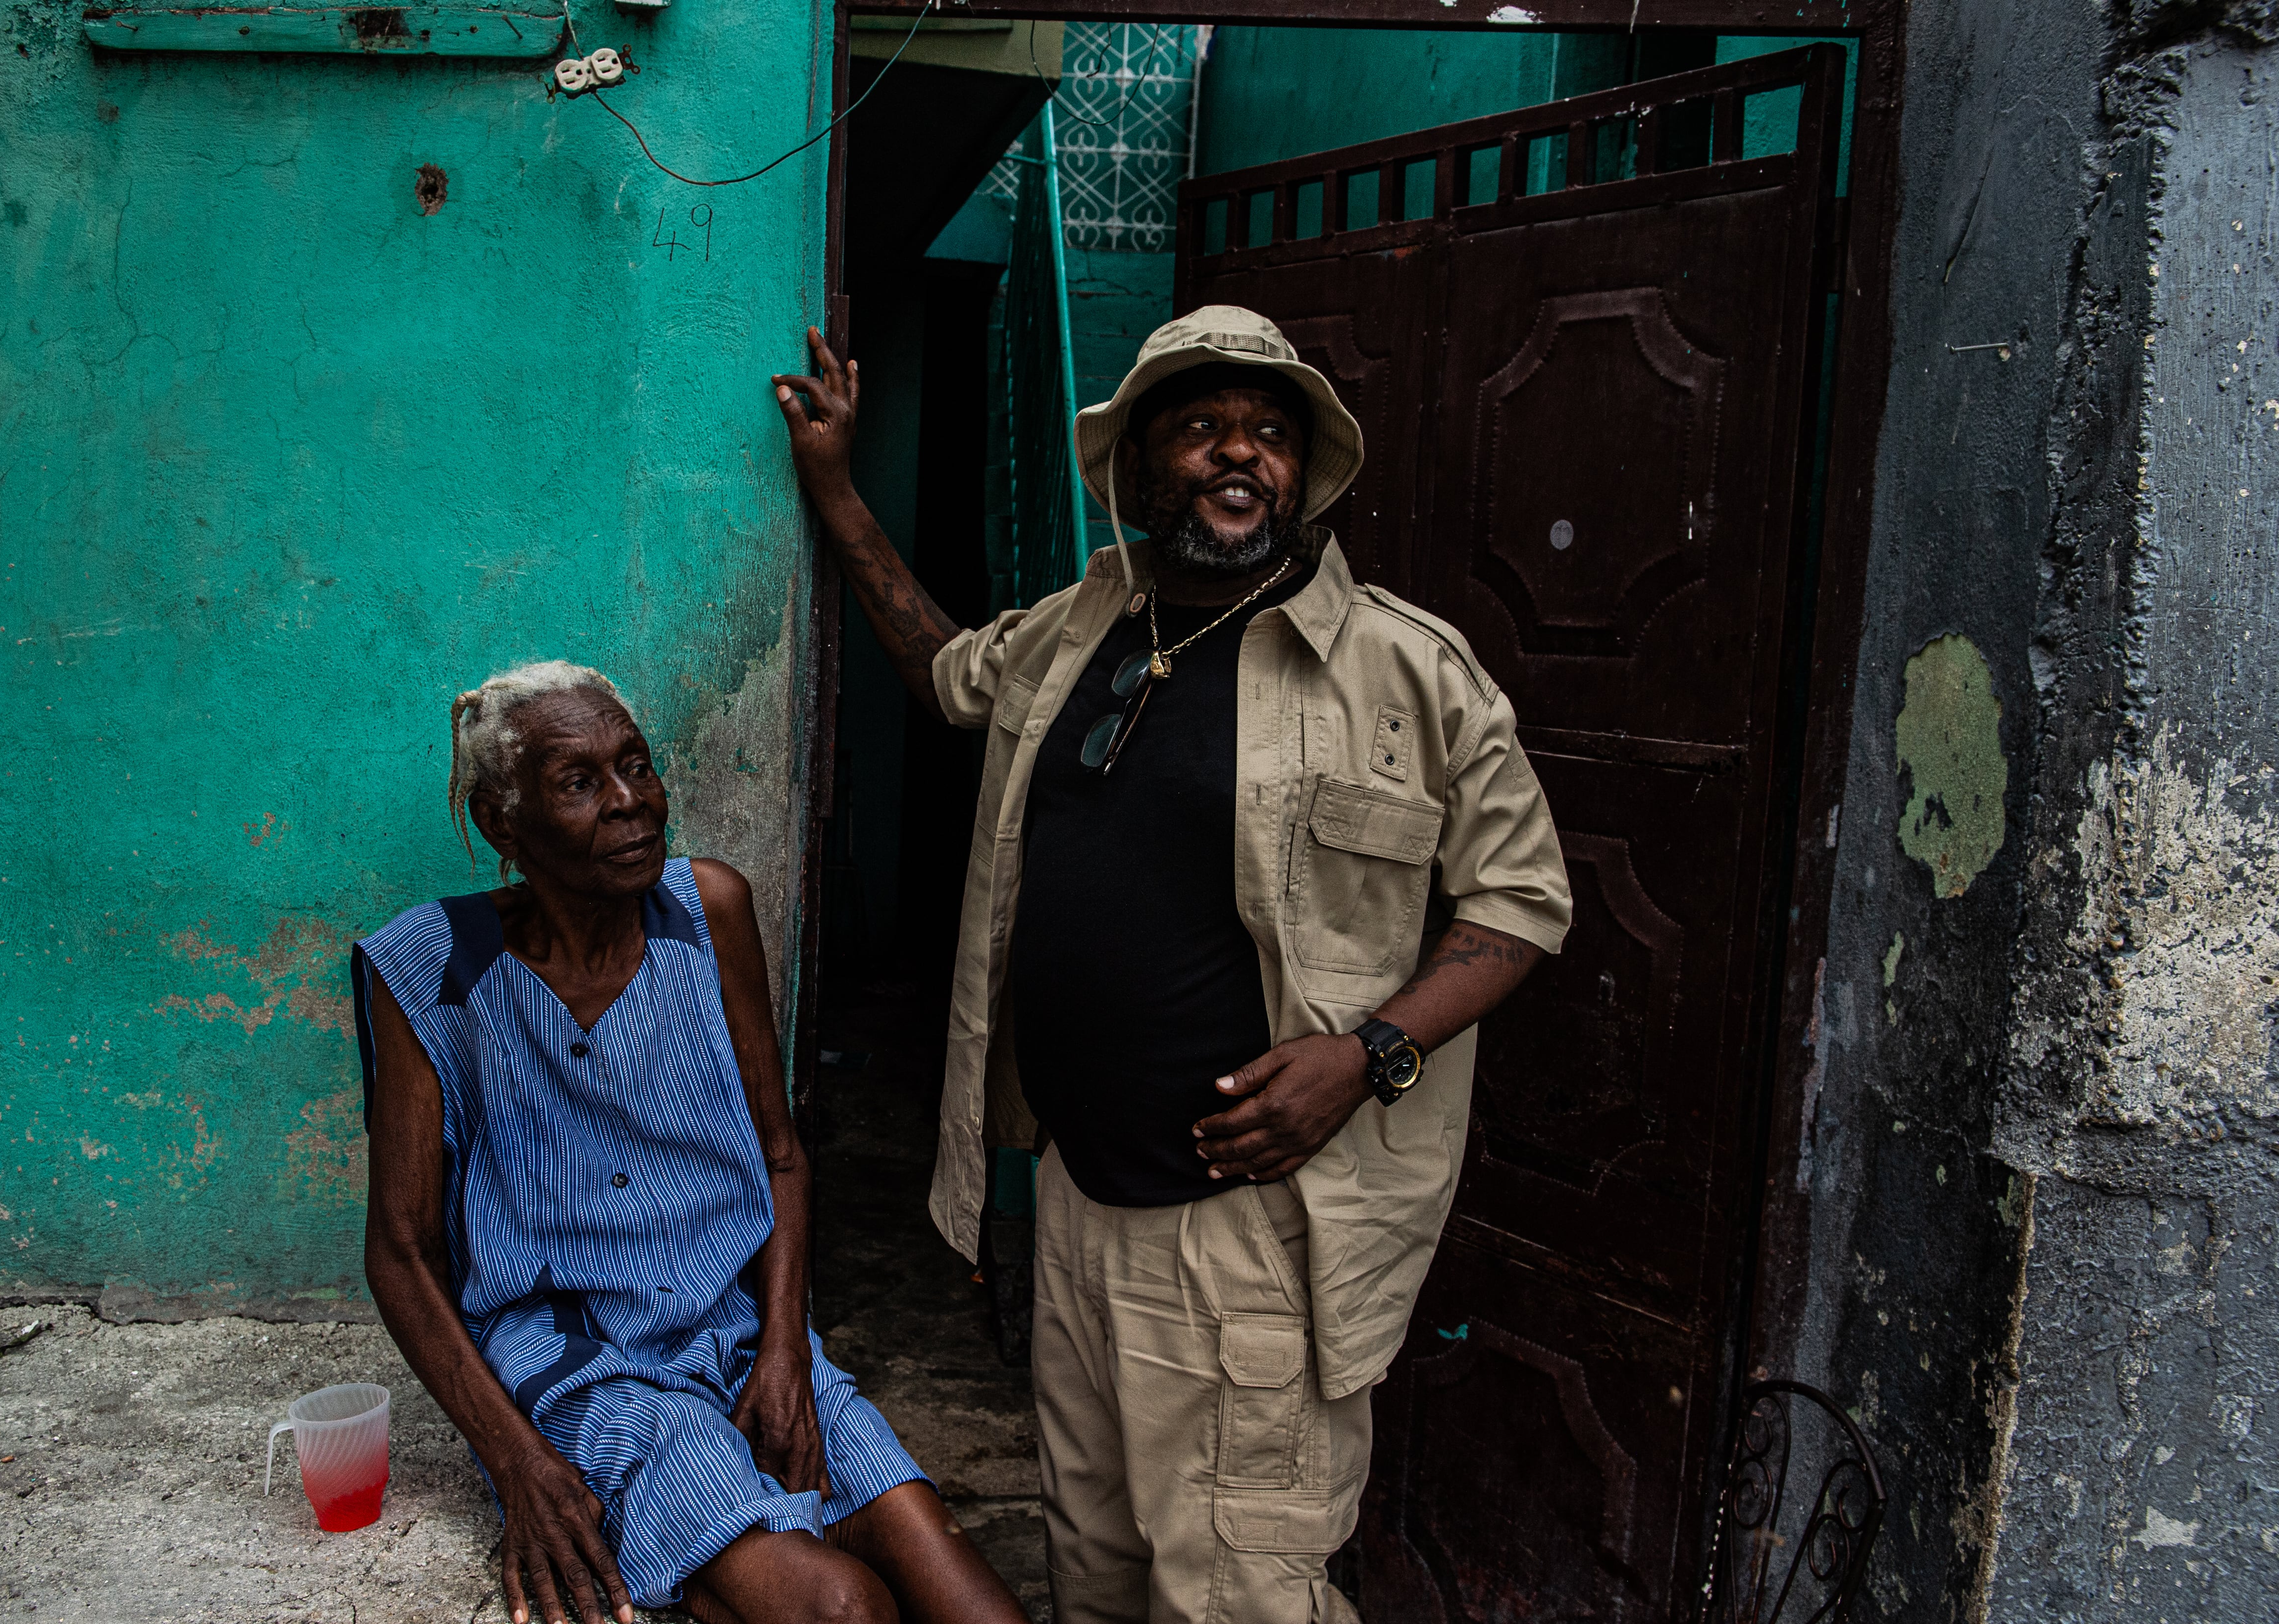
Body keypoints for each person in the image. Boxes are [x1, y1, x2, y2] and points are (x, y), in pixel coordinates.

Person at [772, 306, 1574, 1624]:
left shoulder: (1407, 669)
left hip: (1253, 1230)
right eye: (1201, 428)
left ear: (1304, 471)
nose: (1238, 454)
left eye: (1269, 433)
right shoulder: (1081, 625)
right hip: (1079, 1201)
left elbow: (1523, 901)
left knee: (1240, 1593)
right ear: (1140, 467)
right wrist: (838, 492)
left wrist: (1367, 1053)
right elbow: (945, 672)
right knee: (1096, 1572)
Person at [358, 660, 1030, 1624]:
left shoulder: (709, 911)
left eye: (636, 765)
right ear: (503, 823)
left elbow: (780, 1155)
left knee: (965, 1594)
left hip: (739, 1333)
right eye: (580, 782)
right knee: (842, 1605)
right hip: (581, 1364)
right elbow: (401, 1249)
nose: (630, 800)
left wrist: (786, 1354)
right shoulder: (430, 969)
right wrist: (520, 1464)